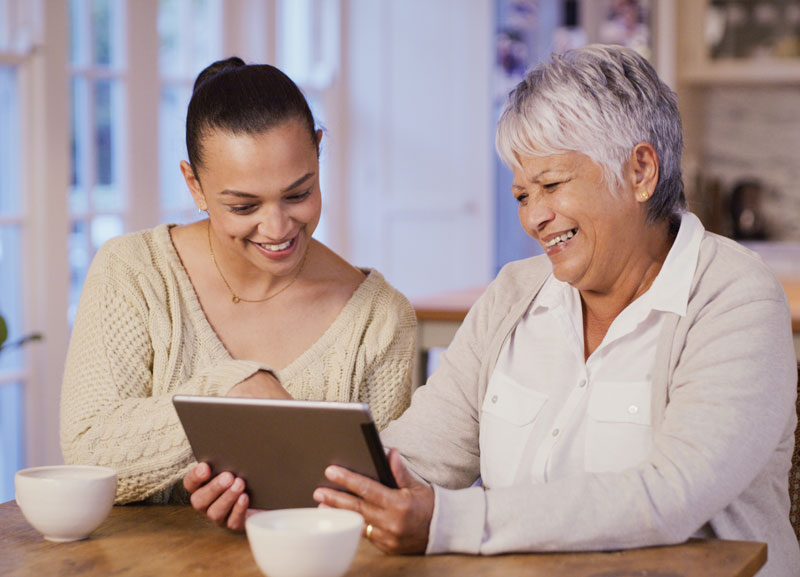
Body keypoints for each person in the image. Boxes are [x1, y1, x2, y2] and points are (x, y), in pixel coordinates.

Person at [312, 45, 800, 577]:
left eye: (551, 185)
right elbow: (414, 462)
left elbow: (669, 495)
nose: (535, 218)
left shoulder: (733, 296)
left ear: (640, 171)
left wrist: (449, 522)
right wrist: (292, 487)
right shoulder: (510, 297)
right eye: (523, 195)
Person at [60, 57, 417, 521]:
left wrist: (273, 503)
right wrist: (233, 392)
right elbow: (88, 453)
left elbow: (379, 507)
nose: (277, 227)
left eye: (298, 194)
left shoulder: (379, 319)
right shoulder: (134, 273)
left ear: (318, 150)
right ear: (195, 185)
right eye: (244, 205)